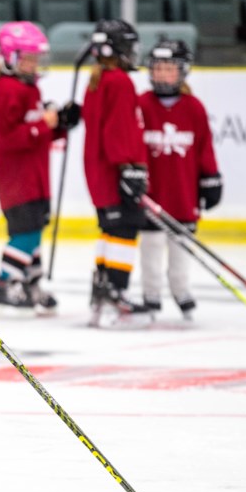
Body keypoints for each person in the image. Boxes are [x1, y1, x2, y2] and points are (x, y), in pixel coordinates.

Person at [0, 21, 79, 314]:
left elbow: (37, 132)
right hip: (17, 178)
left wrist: (62, 123)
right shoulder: (7, 89)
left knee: (35, 229)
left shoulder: (30, 87)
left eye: (36, 58)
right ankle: (4, 282)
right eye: (28, 58)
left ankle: (30, 282)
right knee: (25, 232)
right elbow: (7, 139)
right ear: (9, 57)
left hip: (35, 176)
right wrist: (45, 124)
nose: (34, 64)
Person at [137, 40, 222, 319]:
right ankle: (150, 294)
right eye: (158, 68)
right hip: (151, 193)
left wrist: (211, 178)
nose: (162, 74)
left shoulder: (194, 107)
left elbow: (204, 148)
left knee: (180, 250)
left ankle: (181, 289)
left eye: (169, 69)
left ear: (182, 72)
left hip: (183, 194)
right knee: (150, 247)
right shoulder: (142, 105)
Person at [81, 19, 152, 329]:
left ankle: (102, 291)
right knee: (123, 230)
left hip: (99, 172)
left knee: (109, 230)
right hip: (114, 171)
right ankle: (116, 293)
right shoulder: (119, 81)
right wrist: (129, 168)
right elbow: (118, 131)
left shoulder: (98, 78)